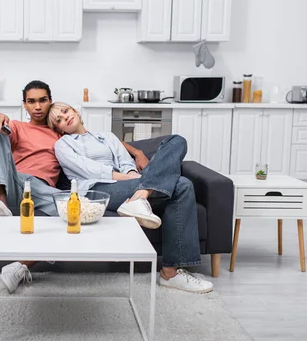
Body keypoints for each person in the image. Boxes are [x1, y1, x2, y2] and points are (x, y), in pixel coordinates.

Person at [0, 81, 150, 293]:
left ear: (49, 101)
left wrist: (137, 152)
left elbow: (100, 138)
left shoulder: (60, 133)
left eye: (42, 100)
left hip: (44, 192)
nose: (38, 107)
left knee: (77, 212)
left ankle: (21, 265)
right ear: (24, 105)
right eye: (31, 102)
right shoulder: (18, 127)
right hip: (18, 185)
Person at [47, 102, 213, 294]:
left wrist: (135, 175)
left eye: (65, 111)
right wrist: (133, 178)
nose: (65, 117)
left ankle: (140, 197)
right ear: (58, 129)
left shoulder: (107, 136)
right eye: (58, 120)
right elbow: (90, 171)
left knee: (177, 140)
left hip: (129, 184)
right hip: (98, 189)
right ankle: (170, 274)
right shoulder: (62, 145)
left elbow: (125, 161)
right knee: (182, 185)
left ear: (75, 110)